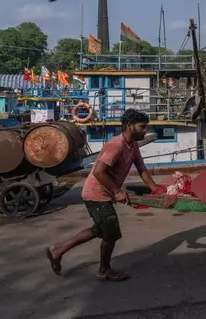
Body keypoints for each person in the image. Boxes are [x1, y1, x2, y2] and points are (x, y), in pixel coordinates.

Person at [46, 109, 162, 281]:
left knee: (100, 229)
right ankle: (104, 270)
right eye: (142, 126)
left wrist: (156, 190)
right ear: (130, 126)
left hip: (105, 193)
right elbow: (100, 172)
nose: (145, 130)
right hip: (96, 194)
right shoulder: (116, 145)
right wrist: (117, 191)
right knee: (111, 233)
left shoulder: (133, 145)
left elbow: (142, 169)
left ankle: (58, 250)